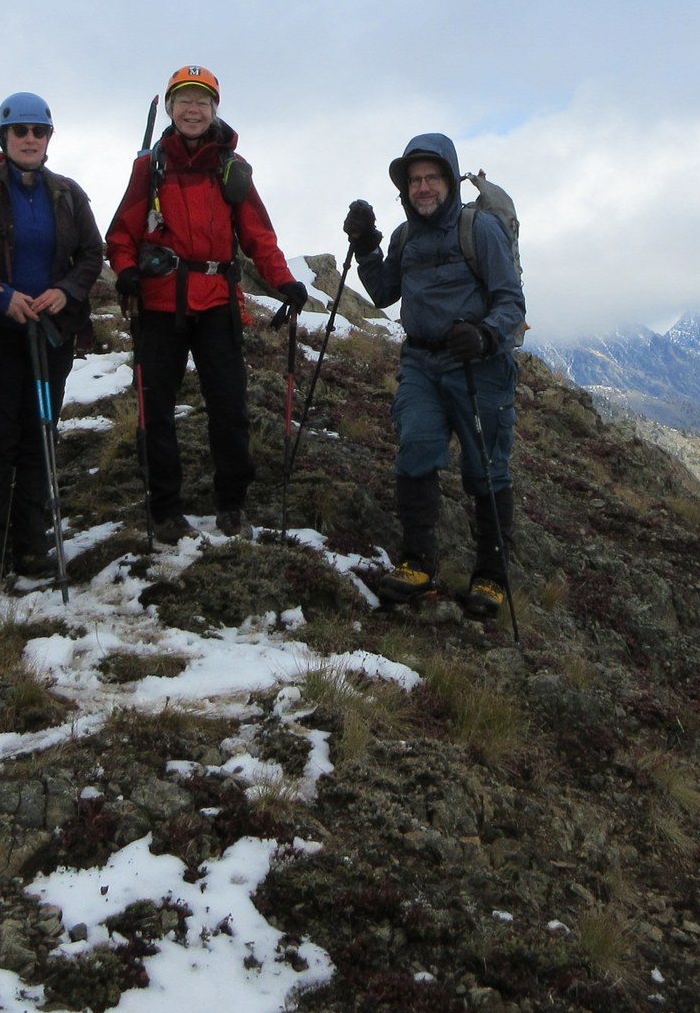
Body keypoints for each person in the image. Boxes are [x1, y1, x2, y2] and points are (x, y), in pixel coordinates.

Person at [104, 65, 306, 541]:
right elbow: (122, 232)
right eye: (184, 101)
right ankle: (164, 511)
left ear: (214, 110)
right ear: (170, 108)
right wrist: (126, 270)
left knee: (230, 406)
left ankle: (232, 505)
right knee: (156, 409)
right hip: (159, 302)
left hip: (216, 301)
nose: (192, 110)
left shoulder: (231, 167)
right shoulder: (149, 167)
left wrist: (284, 281)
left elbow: (258, 235)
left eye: (202, 102)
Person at [347, 132, 525, 619]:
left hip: (480, 366)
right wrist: (365, 246)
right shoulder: (405, 237)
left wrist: (485, 335)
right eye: (415, 181)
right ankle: (418, 564)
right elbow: (384, 292)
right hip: (422, 363)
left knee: (486, 467)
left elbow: (511, 301)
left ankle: (491, 577)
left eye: (432, 178)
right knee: (417, 447)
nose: (423, 188)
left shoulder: (479, 229)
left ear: (449, 179)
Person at [0, 91, 105, 580]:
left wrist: (64, 291)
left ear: (49, 138)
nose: (30, 139)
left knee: (40, 433)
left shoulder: (68, 194)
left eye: (39, 131)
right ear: (5, 136)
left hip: (50, 335)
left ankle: (31, 547)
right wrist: (0, 295)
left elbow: (91, 254)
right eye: (21, 131)